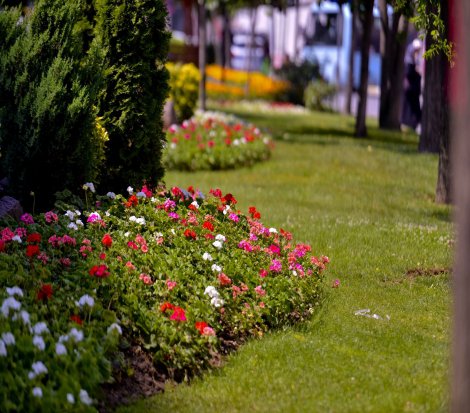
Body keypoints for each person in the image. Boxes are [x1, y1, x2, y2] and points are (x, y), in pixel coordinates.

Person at [401, 38, 423, 131]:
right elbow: (409, 73)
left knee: (415, 107)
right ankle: (410, 123)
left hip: (415, 88)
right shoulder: (409, 61)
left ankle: (415, 123)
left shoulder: (416, 59)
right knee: (411, 107)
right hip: (411, 88)